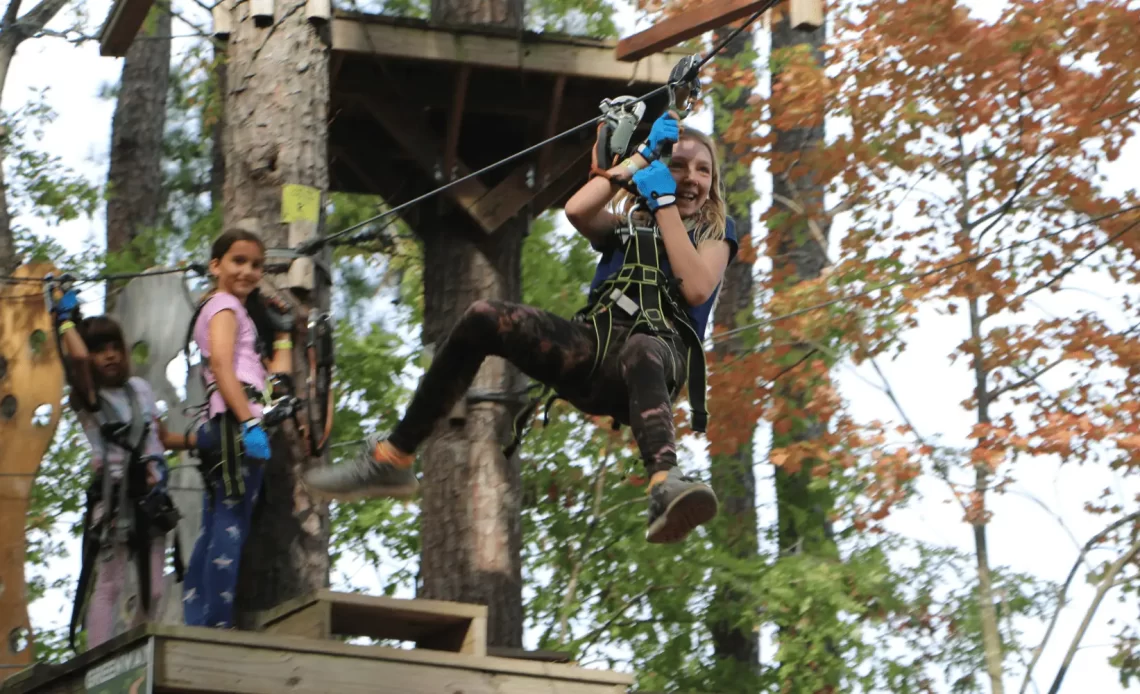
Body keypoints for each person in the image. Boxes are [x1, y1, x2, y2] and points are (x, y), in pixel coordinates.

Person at [304, 112, 737, 544]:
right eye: (678, 165)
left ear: (713, 185)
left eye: (703, 169)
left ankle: (665, 481)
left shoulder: (716, 233)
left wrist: (663, 205)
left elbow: (698, 288)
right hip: (593, 353)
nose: (691, 177)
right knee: (483, 317)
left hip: (655, 365)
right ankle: (393, 455)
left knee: (642, 347)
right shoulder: (629, 227)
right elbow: (578, 210)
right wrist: (640, 158)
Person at [54, 302, 195, 650]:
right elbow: (79, 362)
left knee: (155, 588)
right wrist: (63, 321)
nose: (110, 356)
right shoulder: (89, 398)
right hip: (115, 500)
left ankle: (136, 652)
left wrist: (201, 441)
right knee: (110, 585)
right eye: (100, 350)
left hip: (151, 500)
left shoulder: (139, 389)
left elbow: (159, 437)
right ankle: (99, 658)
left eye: (115, 347)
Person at [181, 227, 294, 628]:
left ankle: (198, 618)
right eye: (238, 261)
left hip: (226, 423)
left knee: (216, 525)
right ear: (216, 266)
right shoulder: (225, 304)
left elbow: (268, 378)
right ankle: (215, 626)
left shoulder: (225, 308)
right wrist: (249, 422)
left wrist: (283, 336)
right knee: (230, 527)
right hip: (234, 425)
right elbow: (222, 367)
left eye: (256, 265)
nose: (248, 271)